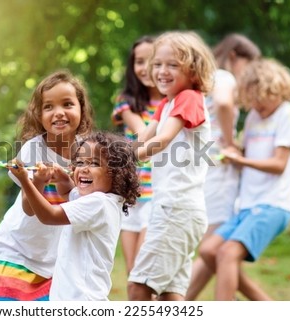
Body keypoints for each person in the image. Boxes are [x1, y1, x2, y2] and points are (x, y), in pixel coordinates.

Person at [0, 70, 94, 301]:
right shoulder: (33, 149)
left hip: (57, 251)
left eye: (67, 104)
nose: (59, 113)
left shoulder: (87, 150)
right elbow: (29, 209)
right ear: (39, 114)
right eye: (48, 107)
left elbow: (83, 198)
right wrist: (37, 181)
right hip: (21, 246)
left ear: (81, 108)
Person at [199, 58, 290, 300]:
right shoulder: (256, 117)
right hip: (247, 205)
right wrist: (231, 151)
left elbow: (279, 164)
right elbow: (245, 151)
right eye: (251, 100)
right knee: (209, 250)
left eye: (261, 98)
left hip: (272, 204)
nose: (256, 105)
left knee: (227, 254)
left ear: (275, 89)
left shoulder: (287, 115)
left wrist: (241, 161)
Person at [128, 30, 216, 301]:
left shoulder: (189, 97)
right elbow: (144, 136)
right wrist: (109, 158)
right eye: (158, 64)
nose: (162, 71)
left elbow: (163, 139)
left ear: (193, 70)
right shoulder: (167, 102)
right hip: (172, 209)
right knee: (170, 294)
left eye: (172, 65)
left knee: (138, 287)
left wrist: (129, 160)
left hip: (176, 210)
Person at [10, 132, 140, 300]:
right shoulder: (100, 201)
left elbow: (48, 216)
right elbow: (67, 192)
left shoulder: (98, 203)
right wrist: (61, 177)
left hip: (80, 299)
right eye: (79, 162)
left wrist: (26, 182)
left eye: (94, 163)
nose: (84, 168)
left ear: (116, 173)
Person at [186, 33, 263, 300]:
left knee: (212, 247)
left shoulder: (204, 81)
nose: (248, 73)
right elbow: (224, 103)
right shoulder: (224, 77)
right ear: (233, 56)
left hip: (204, 164)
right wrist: (231, 143)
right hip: (219, 167)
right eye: (248, 64)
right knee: (214, 246)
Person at [111, 35, 165, 275]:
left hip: (158, 193)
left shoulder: (173, 102)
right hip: (132, 193)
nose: (144, 68)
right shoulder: (127, 103)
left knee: (146, 270)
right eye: (139, 61)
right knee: (133, 275)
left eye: (151, 60)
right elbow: (143, 135)